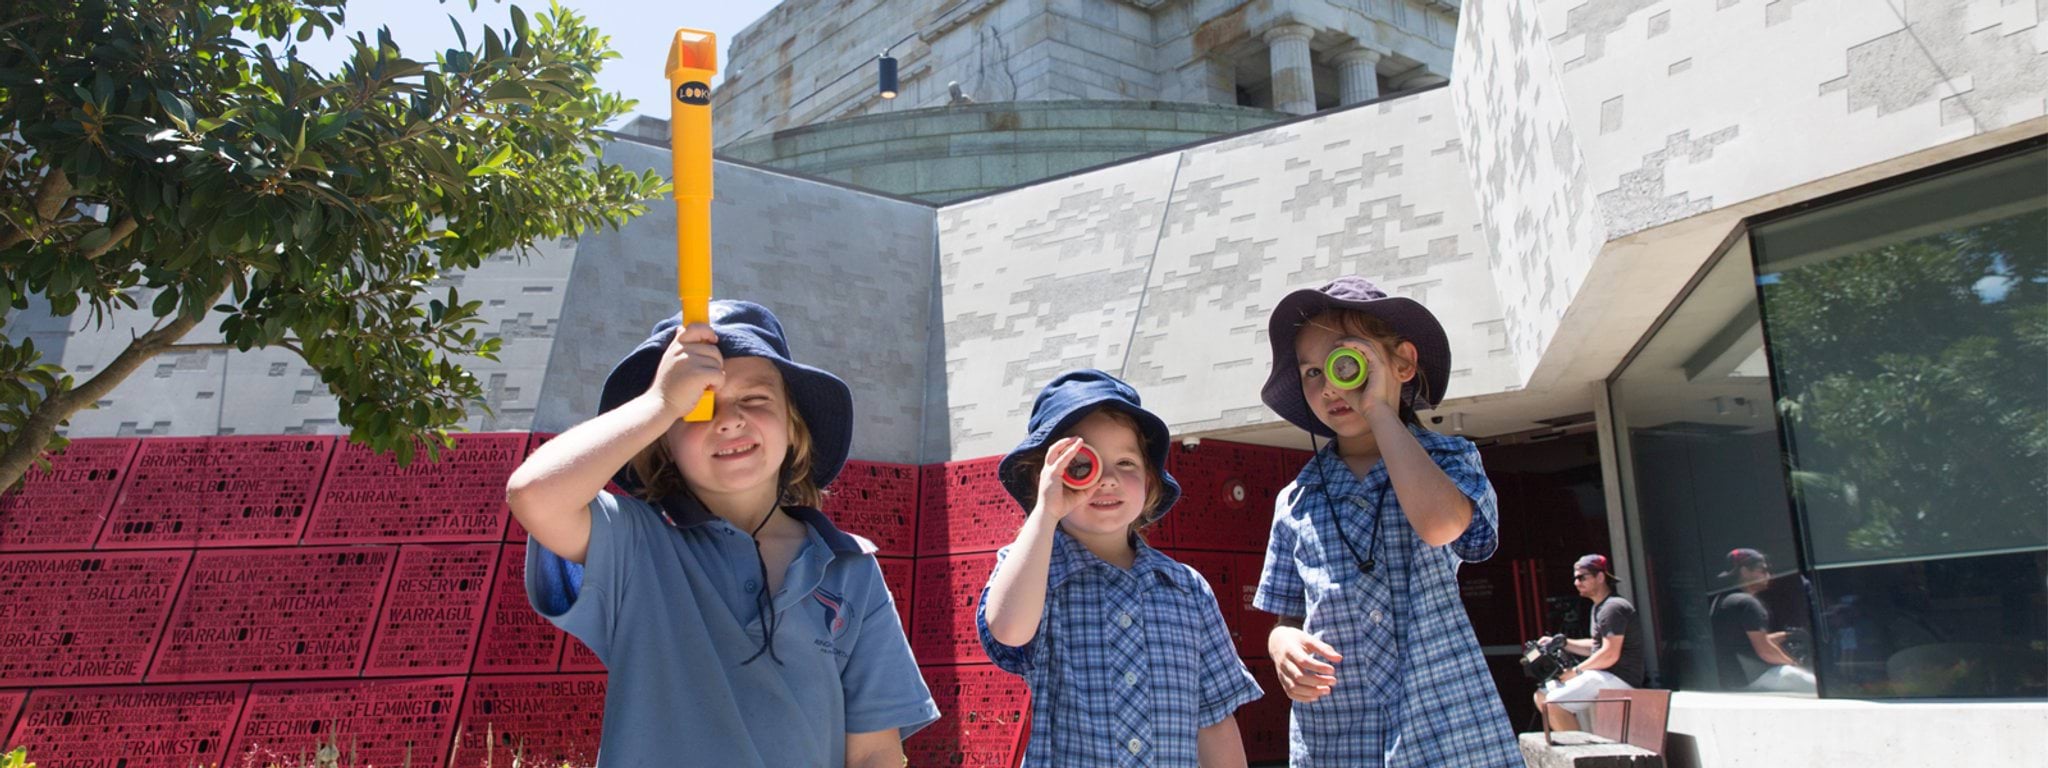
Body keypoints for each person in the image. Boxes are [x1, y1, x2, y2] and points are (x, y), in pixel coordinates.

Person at [506, 301, 939, 766]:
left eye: (755, 399)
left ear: (795, 427)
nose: (730, 419)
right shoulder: (632, 545)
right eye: (698, 407)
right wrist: (661, 401)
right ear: (662, 440)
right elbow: (534, 494)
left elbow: (875, 750)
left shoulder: (850, 567)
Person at [1251, 277, 1520, 766]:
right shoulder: (1296, 499)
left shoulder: (1450, 460)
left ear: (1402, 363)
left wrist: (1377, 408)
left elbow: (1440, 525)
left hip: (1444, 728)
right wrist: (1281, 643)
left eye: (1345, 362)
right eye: (1311, 372)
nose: (1329, 384)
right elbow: (1286, 613)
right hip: (1337, 736)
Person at [978, 369, 1263, 767]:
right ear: (1044, 478)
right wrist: (1046, 511)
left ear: (1150, 480)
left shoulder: (1186, 589)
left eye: (1126, 463)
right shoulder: (1034, 572)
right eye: (1082, 466)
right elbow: (1008, 629)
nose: (1108, 480)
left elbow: (1214, 720)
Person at [1533, 554, 1645, 731]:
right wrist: (1563, 642)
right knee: (1542, 694)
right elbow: (1596, 648)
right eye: (1575, 578)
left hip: (1618, 677)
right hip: (1602, 675)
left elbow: (1609, 654)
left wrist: (1576, 671)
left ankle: (1577, 754)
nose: (1576, 583)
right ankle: (1580, 746)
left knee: (1551, 702)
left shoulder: (1613, 607)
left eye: (1581, 577)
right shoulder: (1599, 607)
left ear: (1600, 577)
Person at [1711, 548, 1817, 693]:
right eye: (1763, 570)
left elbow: (1746, 641)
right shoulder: (1749, 603)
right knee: (1816, 685)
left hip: (1729, 679)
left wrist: (1787, 635)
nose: (1769, 575)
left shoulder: (1724, 600)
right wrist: (1793, 663)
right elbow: (1765, 651)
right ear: (1744, 571)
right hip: (1753, 677)